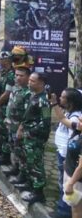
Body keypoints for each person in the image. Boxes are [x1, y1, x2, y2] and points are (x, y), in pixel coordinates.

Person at [16, 72, 51, 204]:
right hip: (28, 136)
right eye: (29, 80)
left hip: (35, 138)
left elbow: (46, 122)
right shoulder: (33, 96)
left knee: (36, 164)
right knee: (29, 162)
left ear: (41, 83)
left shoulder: (43, 100)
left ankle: (38, 192)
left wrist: (30, 132)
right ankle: (30, 184)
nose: (29, 83)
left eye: (33, 81)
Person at [52, 88, 82, 216]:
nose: (60, 98)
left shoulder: (76, 120)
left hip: (74, 173)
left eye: (63, 97)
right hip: (68, 165)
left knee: (75, 205)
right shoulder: (76, 123)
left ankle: (63, 213)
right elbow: (63, 119)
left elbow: (81, 166)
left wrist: (70, 183)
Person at [2, 65, 32, 186]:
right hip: (11, 124)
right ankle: (16, 168)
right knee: (13, 147)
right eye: (16, 75)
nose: (18, 78)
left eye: (21, 75)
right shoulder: (15, 88)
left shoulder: (28, 93)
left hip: (20, 127)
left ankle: (23, 175)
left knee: (21, 151)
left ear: (28, 77)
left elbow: (27, 114)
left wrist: (21, 128)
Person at [0, 51, 15, 167]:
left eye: (1, 59)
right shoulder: (3, 72)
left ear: (7, 61)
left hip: (4, 107)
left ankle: (5, 157)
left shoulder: (11, 75)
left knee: (4, 131)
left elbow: (7, 93)